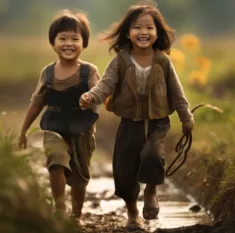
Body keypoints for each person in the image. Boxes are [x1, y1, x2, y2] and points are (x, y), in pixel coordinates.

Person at [79, 1, 195, 227]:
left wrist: (186, 117)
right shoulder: (120, 61)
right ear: (127, 32)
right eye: (137, 27)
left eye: (149, 27)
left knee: (153, 155)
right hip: (129, 123)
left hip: (157, 122)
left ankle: (151, 191)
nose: (143, 32)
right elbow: (105, 85)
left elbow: (177, 92)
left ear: (157, 32)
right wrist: (91, 96)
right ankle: (132, 213)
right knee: (124, 170)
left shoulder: (163, 61)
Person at [18, 10, 100, 224]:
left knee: (80, 178)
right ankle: (60, 209)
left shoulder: (89, 71)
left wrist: (92, 98)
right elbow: (37, 102)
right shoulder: (47, 73)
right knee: (56, 161)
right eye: (62, 38)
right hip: (54, 126)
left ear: (84, 43)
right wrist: (23, 130)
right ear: (53, 43)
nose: (68, 43)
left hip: (82, 130)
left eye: (75, 38)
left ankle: (76, 214)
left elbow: (100, 94)